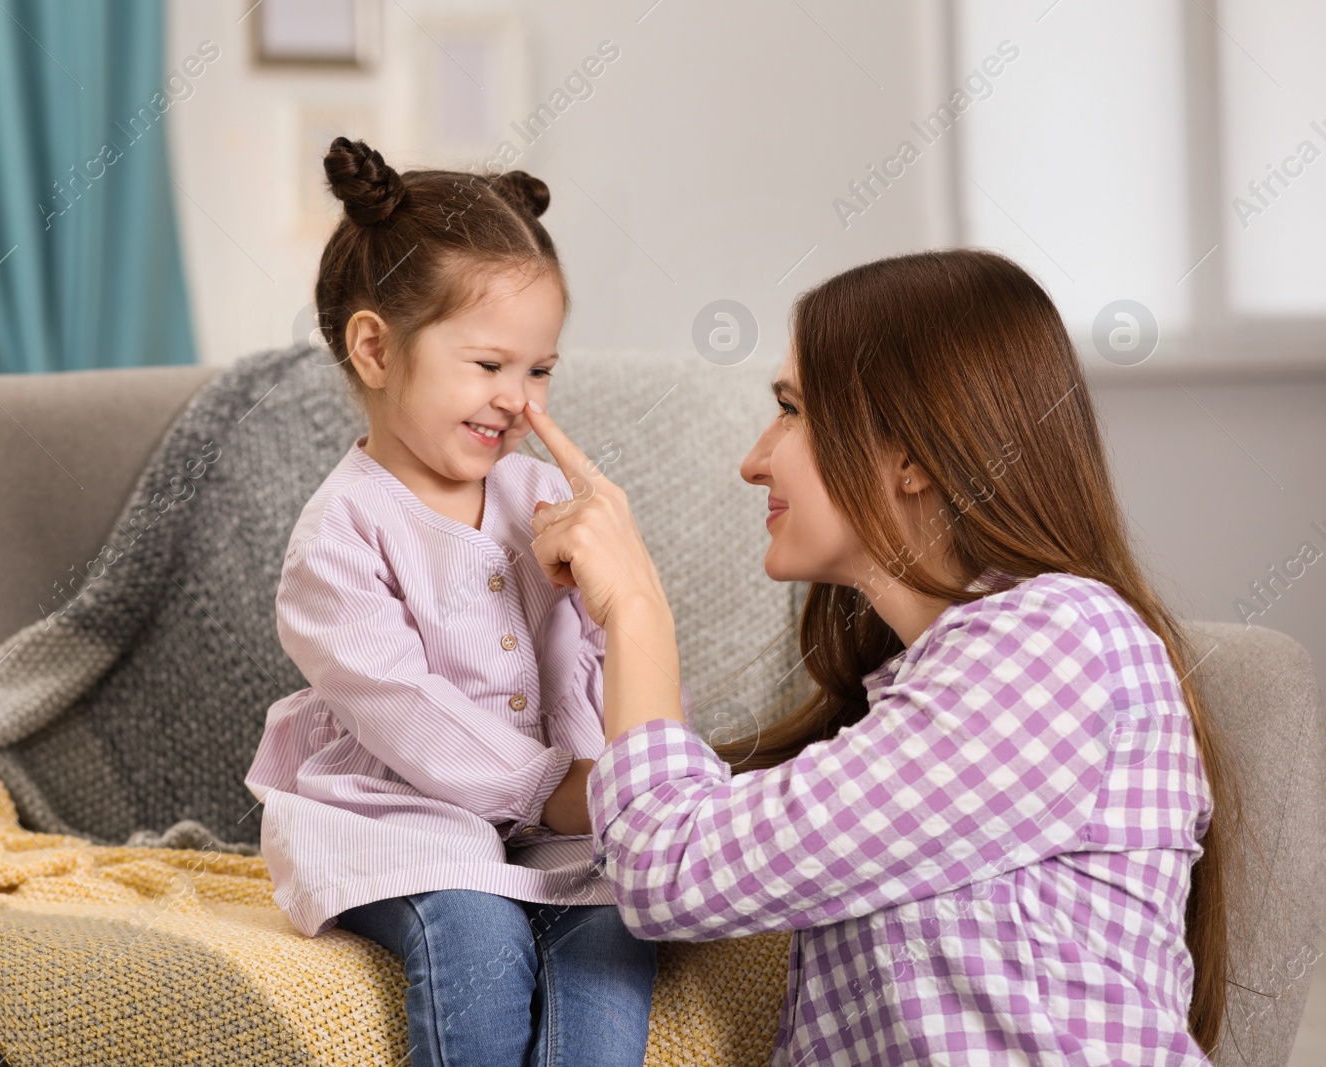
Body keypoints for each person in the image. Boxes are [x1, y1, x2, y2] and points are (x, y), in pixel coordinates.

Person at [523, 248, 1240, 1065]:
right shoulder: (921, 695)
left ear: (911, 456)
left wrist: (636, 608)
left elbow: (669, 864)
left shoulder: (1059, 646)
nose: (754, 459)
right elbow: (693, 831)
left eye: (791, 409)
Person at [244, 137, 662, 1067]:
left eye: (540, 369)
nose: (517, 400)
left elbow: (599, 673)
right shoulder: (341, 537)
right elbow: (410, 711)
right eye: (488, 365)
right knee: (475, 935)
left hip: (558, 821)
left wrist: (598, 591)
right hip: (400, 820)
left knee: (617, 932)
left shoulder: (537, 502)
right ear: (375, 347)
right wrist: (558, 791)